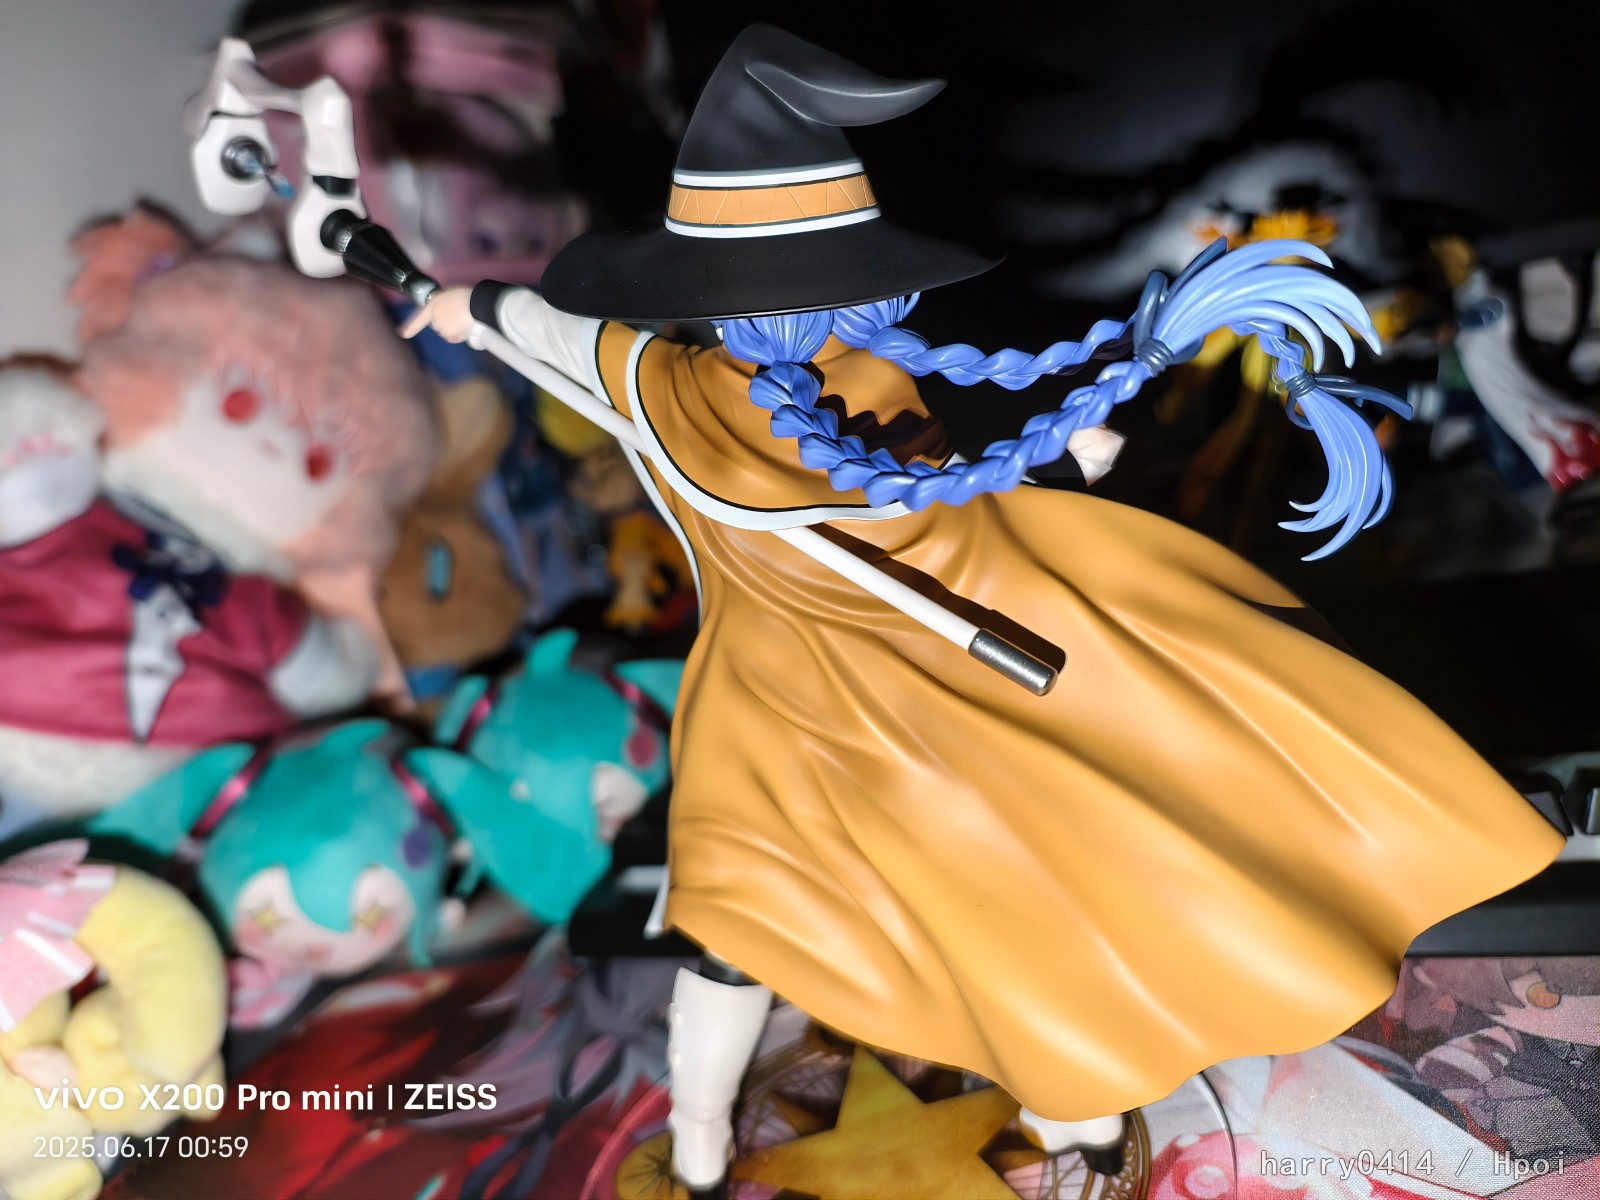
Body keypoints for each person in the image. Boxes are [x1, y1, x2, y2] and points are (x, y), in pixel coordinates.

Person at [403, 24, 1565, 1190]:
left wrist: (464, 306)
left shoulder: (675, 385)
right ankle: (847, 1129)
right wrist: (470, 306)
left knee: (824, 919)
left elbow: (562, 338)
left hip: (833, 704)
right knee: (930, 900)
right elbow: (906, 485)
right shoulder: (732, 387)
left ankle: (963, 1119)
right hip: (835, 705)